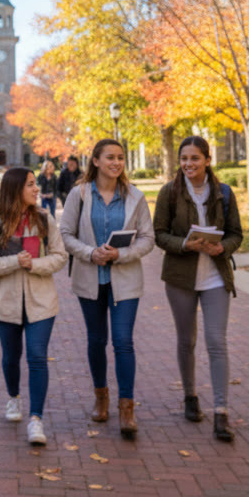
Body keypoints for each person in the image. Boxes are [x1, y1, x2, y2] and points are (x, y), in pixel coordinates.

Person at [59, 138, 154, 440]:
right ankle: (101, 398)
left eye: (121, 158)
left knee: (123, 341)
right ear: (96, 161)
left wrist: (120, 254)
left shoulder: (135, 197)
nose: (116, 162)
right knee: (97, 340)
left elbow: (147, 239)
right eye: (110, 157)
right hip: (90, 279)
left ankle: (127, 407)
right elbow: (65, 234)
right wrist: (90, 253)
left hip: (125, 281)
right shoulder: (80, 194)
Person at [152, 136, 244, 442]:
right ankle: (190, 396)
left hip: (215, 275)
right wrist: (185, 244)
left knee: (216, 341)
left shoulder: (224, 193)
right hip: (181, 277)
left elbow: (236, 234)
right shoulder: (170, 192)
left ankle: (221, 412)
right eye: (184, 159)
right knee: (186, 340)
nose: (189, 164)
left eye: (194, 158)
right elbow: (159, 235)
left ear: (207, 159)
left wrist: (224, 249)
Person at [0, 167, 69, 445]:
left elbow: (59, 256)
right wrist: (14, 261)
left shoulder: (44, 219)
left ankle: (36, 419)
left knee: (38, 356)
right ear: (16, 189)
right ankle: (13, 397)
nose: (36, 189)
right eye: (30, 184)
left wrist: (35, 264)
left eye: (35, 184)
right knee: (11, 356)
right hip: (5, 302)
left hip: (41, 302)